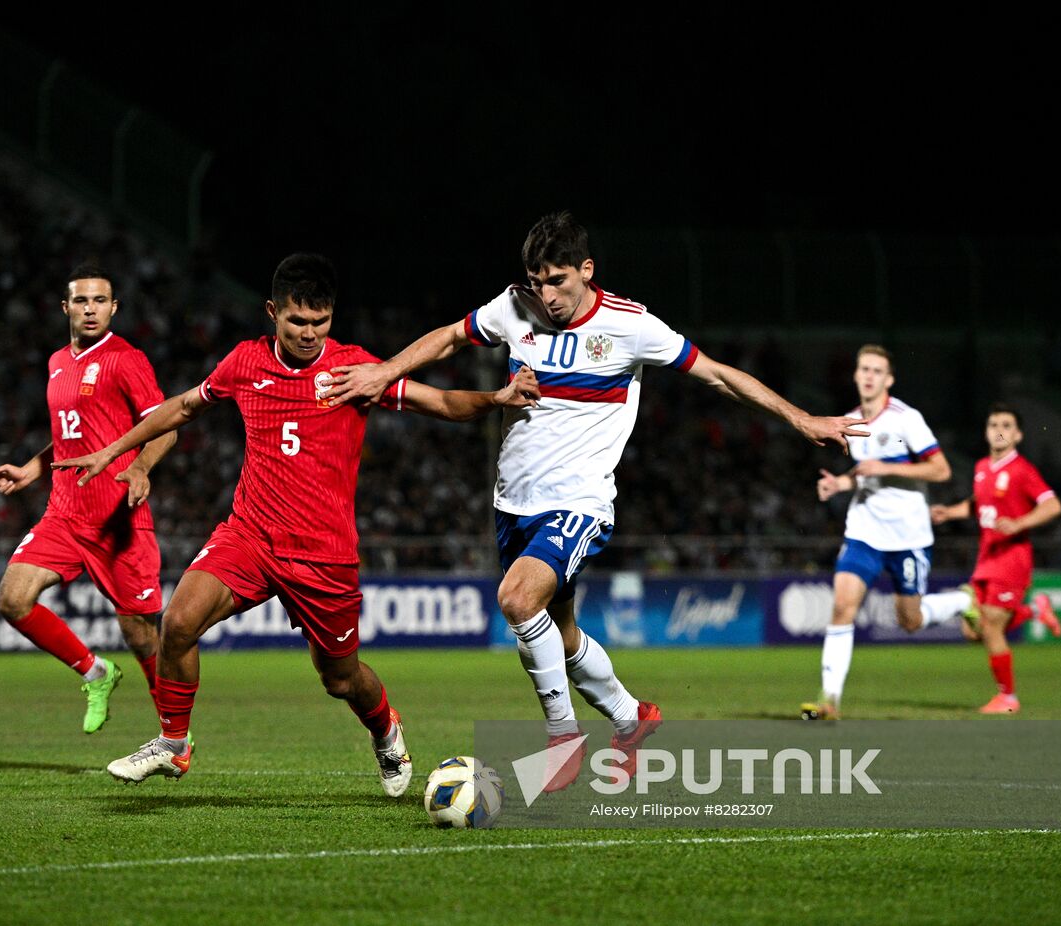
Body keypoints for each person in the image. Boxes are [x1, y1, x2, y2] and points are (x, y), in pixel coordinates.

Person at [326, 211, 864, 788]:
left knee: (516, 599)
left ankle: (562, 741)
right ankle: (633, 720)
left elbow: (716, 374)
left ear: (586, 270)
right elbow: (452, 336)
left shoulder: (631, 325)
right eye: (537, 281)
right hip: (513, 504)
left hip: (579, 501)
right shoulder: (516, 306)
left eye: (557, 280)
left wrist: (798, 417)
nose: (546, 294)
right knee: (559, 633)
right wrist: (386, 371)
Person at [55, 253, 540, 796]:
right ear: (272, 313)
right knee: (179, 622)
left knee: (339, 679)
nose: (310, 334)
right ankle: (173, 744)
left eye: (321, 322)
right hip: (250, 536)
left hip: (323, 555)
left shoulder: (355, 371)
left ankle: (385, 728)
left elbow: (442, 403)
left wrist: (496, 399)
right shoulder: (244, 363)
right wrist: (116, 452)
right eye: (297, 322)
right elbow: (184, 407)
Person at [0, 265, 177, 734]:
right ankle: (94, 672)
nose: (90, 309)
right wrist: (33, 467)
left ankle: (174, 728)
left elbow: (165, 425)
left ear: (114, 308)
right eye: (81, 301)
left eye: (100, 301)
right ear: (66, 307)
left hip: (118, 517)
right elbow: (70, 436)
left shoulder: (126, 358)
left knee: (140, 633)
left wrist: (140, 467)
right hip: (65, 514)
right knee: (12, 599)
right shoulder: (56, 363)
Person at [802, 345, 960, 721]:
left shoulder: (907, 419)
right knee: (842, 607)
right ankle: (829, 701)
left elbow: (941, 471)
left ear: (888, 379)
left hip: (908, 536)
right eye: (864, 369)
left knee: (911, 621)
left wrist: (887, 468)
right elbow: (865, 473)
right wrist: (841, 483)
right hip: (864, 532)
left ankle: (962, 602)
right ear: (856, 376)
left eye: (877, 370)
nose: (869, 375)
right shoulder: (850, 422)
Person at [930, 404, 1061, 714]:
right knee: (971, 632)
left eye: (1006, 425)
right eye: (993, 424)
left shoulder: (1022, 470)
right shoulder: (980, 467)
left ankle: (1008, 699)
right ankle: (1033, 610)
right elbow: (979, 505)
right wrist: (950, 512)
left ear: (1017, 435)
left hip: (1012, 559)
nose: (999, 430)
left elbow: (1053, 506)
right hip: (987, 558)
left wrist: (1019, 523)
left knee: (989, 626)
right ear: (986, 431)